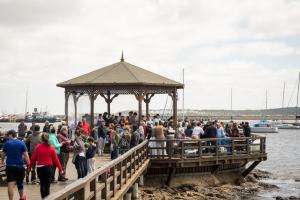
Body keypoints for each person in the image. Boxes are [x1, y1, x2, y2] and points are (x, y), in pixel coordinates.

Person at [30, 133, 63, 198]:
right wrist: (61, 169)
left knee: (42, 185)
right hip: (49, 168)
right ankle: (47, 198)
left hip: (40, 169)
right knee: (47, 186)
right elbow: (56, 160)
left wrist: (29, 167)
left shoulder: (38, 147)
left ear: (41, 139)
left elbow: (33, 158)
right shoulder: (51, 148)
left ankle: (43, 198)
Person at [1, 130, 30, 200]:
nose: (7, 137)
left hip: (10, 166)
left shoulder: (7, 143)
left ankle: (11, 199)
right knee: (20, 184)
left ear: (11, 135)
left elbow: (3, 155)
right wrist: (28, 165)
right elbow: (26, 155)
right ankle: (21, 198)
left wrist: (2, 161)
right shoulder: (21, 143)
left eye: (8, 135)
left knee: (10, 184)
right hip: (20, 166)